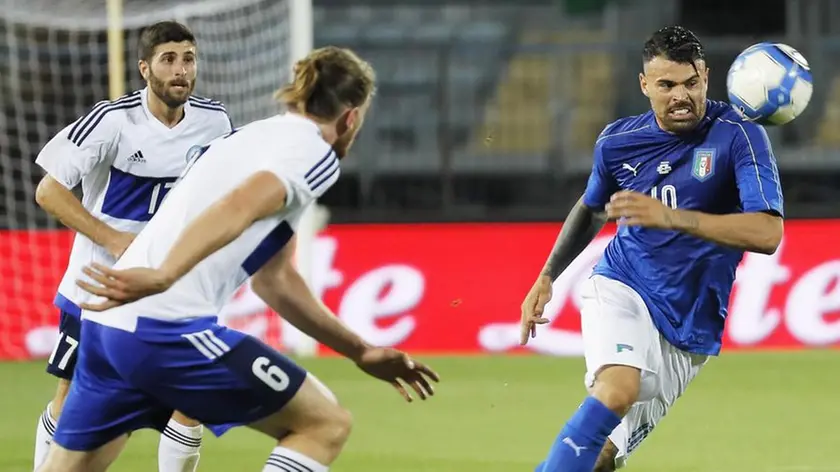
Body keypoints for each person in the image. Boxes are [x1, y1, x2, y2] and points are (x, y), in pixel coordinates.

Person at [38, 45, 439, 472]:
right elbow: (240, 204)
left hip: (107, 329)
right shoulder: (314, 151)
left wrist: (361, 351)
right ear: (351, 118)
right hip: (161, 328)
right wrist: (164, 274)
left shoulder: (250, 136)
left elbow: (275, 281)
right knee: (325, 425)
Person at [520, 26, 784, 472]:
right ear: (645, 85)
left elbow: (768, 233)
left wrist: (672, 217)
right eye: (666, 85)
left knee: (603, 458)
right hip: (625, 287)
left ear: (706, 76)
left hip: (690, 329)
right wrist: (547, 274)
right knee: (618, 389)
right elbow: (591, 209)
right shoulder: (618, 142)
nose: (680, 96)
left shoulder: (739, 135)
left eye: (690, 83)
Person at [33, 20, 233, 472]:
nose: (181, 70)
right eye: (168, 59)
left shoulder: (215, 121)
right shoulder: (112, 121)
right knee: (72, 400)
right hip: (97, 285)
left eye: (188, 58)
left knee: (190, 400)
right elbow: (48, 191)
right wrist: (115, 240)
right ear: (145, 69)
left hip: (171, 285)